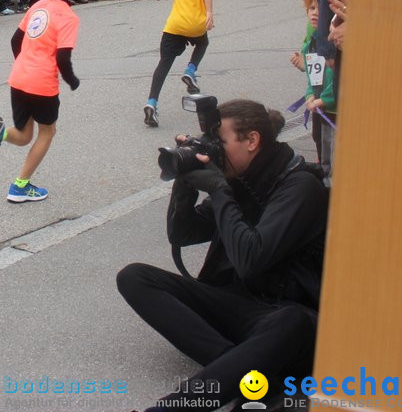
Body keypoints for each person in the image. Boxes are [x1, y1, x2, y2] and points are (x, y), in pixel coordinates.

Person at [117, 99, 327, 410]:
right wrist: (185, 181)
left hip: (283, 314)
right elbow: (183, 234)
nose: (214, 149)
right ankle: (239, 368)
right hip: (236, 306)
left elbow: (251, 261)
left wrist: (218, 190)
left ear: (252, 140)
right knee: (134, 277)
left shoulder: (299, 186)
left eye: (221, 141)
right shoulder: (239, 178)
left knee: (292, 322)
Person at [0, 0, 83, 202]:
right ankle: (20, 186)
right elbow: (63, 58)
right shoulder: (67, 16)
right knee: (48, 132)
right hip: (43, 83)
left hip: (20, 78)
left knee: (24, 135)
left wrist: (25, 64)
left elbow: (16, 40)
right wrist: (72, 80)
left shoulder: (38, 5)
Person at [144, 0, 216, 128]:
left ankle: (151, 102)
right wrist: (209, 12)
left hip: (174, 24)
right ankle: (190, 70)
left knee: (163, 64)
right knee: (202, 43)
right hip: (195, 23)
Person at [289, 0, 335, 174]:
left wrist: (325, 98)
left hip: (337, 109)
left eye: (321, 8)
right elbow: (313, 77)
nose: (315, 12)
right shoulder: (310, 43)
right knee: (321, 147)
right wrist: (310, 95)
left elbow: (341, 76)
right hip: (319, 108)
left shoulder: (335, 41)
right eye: (312, 8)